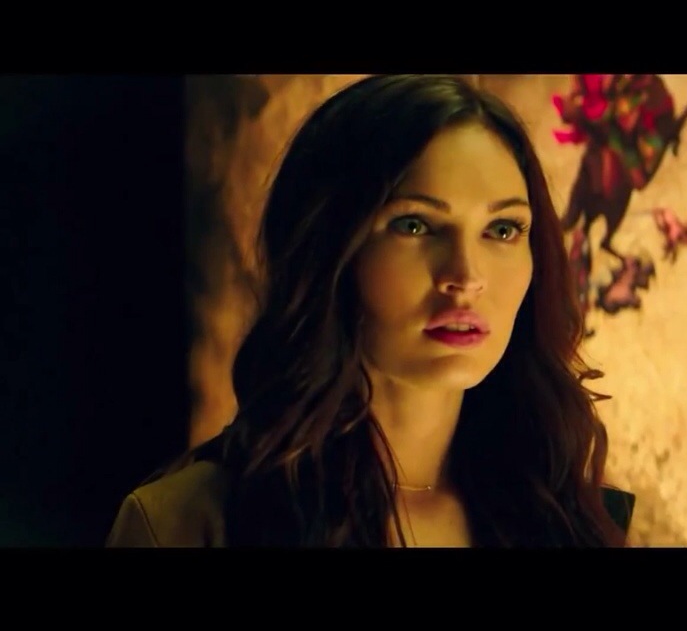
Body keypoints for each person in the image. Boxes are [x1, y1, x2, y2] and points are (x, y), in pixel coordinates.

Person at [105, 74, 635, 547]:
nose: (466, 275)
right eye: (415, 225)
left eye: (502, 229)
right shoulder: (188, 522)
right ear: (331, 249)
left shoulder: (573, 521)